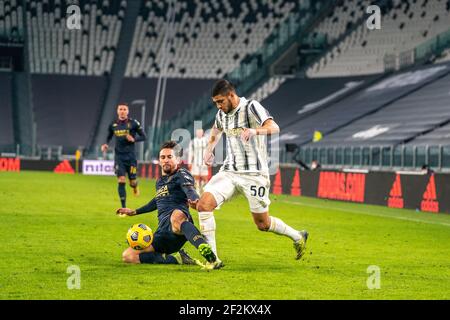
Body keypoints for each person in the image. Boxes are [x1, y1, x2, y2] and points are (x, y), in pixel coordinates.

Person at [196, 79, 309, 268]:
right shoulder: (221, 113)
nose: (218, 106)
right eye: (215, 102)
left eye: (220, 101)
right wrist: (210, 148)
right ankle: (213, 259)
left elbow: (274, 127)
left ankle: (298, 236)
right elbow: (216, 129)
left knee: (262, 224)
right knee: (203, 205)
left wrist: (255, 131)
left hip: (254, 174)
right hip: (230, 171)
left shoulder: (251, 107)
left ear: (231, 95)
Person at [118, 141, 218, 269]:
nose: (166, 160)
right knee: (128, 256)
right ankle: (177, 259)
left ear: (178, 159)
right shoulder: (160, 181)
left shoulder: (181, 174)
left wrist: (194, 198)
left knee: (176, 216)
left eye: (170, 157)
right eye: (163, 157)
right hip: (162, 233)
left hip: (178, 228)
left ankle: (203, 247)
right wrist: (134, 212)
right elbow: (157, 201)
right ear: (159, 160)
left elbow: (189, 188)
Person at [101, 103, 146, 209]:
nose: (122, 111)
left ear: (127, 111)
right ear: (117, 111)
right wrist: (106, 144)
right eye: (120, 109)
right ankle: (123, 208)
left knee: (132, 182)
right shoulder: (113, 124)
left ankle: (135, 186)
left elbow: (144, 137)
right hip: (119, 157)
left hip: (131, 158)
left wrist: (134, 139)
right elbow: (109, 136)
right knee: (121, 179)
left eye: (124, 109)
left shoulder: (134, 123)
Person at [188, 129, 209, 194]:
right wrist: (189, 162)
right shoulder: (193, 141)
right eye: (198, 133)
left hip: (204, 162)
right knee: (196, 176)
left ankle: (203, 189)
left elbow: (209, 151)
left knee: (204, 177)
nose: (199, 134)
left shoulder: (206, 141)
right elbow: (190, 152)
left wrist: (209, 161)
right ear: (196, 133)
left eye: (200, 132)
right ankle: (197, 190)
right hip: (195, 162)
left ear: (202, 133)